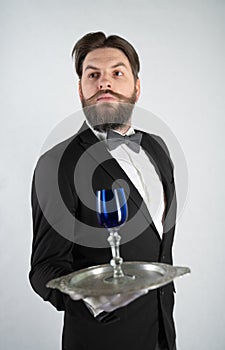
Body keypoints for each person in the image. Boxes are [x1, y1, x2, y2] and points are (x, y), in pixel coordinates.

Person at [29, 32, 177, 350]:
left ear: (137, 86)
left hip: (162, 333)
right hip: (100, 338)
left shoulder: (157, 147)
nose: (104, 83)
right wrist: (96, 302)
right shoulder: (56, 163)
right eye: (93, 74)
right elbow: (44, 268)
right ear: (80, 88)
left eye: (117, 73)